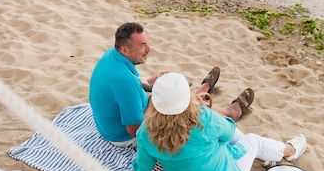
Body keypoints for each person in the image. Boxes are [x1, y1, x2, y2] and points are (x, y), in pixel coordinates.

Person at [105, 72, 307, 171]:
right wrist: (205, 110)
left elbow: (141, 168)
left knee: (229, 141)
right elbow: (228, 134)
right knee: (251, 140)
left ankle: (269, 156)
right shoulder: (204, 118)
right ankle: (289, 151)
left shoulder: (146, 133)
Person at [88, 22, 254, 148]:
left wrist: (153, 80)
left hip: (112, 121)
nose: (149, 49)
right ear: (125, 50)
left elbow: (128, 88)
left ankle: (201, 96)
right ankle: (226, 112)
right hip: (123, 137)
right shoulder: (126, 84)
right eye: (142, 45)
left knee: (174, 94)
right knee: (185, 109)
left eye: (147, 43)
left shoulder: (112, 54)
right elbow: (135, 131)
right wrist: (153, 103)